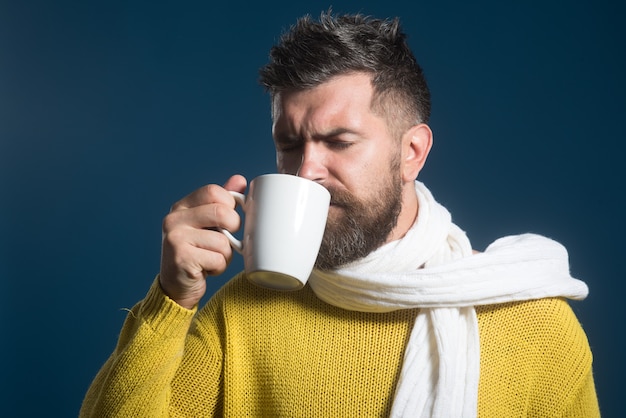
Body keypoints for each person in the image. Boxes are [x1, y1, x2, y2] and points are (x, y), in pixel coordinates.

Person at [80, 11, 600, 417]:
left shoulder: (535, 326)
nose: (306, 170)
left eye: (338, 141)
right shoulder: (239, 313)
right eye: (289, 144)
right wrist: (172, 299)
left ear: (412, 153)